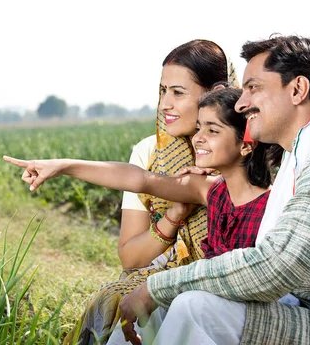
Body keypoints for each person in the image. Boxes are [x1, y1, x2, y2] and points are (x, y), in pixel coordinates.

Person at [93, 34, 310, 345]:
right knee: (165, 306)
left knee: (194, 306)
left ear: (297, 90)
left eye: (253, 88)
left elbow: (274, 268)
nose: (241, 103)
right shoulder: (300, 154)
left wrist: (156, 286)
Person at [3, 87, 282, 339]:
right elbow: (141, 180)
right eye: (199, 128)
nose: (197, 138)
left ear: (246, 144)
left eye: (212, 130)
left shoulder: (272, 207)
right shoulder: (211, 191)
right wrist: (62, 166)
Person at [65, 39, 238, 344]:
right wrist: (173, 215)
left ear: (216, 92)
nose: (164, 105)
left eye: (177, 93)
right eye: (162, 91)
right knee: (120, 313)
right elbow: (130, 258)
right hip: (161, 280)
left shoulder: (246, 155)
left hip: (220, 290)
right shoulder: (150, 152)